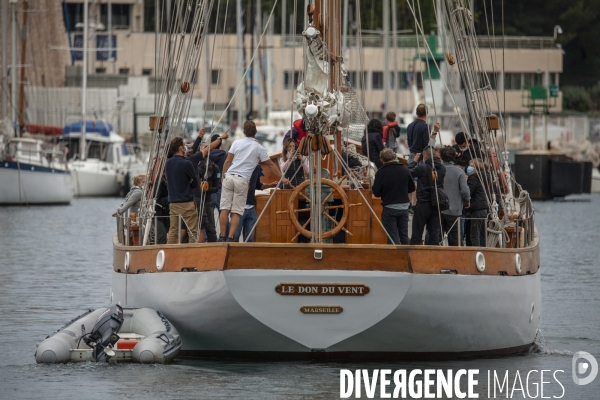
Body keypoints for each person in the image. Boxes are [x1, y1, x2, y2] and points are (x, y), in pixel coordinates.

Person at [219, 120, 286, 242]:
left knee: (224, 209)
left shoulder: (236, 143)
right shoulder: (259, 148)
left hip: (229, 176)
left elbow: (228, 161)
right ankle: (230, 238)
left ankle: (221, 236)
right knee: (236, 212)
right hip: (241, 180)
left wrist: (223, 175)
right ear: (255, 132)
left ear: (244, 132)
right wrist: (282, 178)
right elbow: (270, 165)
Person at [372, 148, 415, 245]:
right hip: (404, 207)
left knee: (392, 236)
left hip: (389, 208)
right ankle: (407, 258)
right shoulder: (404, 170)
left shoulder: (381, 172)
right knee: (404, 235)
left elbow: (376, 193)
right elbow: (412, 188)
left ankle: (394, 258)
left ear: (382, 160)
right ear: (394, 157)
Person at [408, 146, 446, 245]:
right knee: (434, 234)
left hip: (423, 203)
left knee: (417, 233)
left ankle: (414, 257)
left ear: (425, 156)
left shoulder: (422, 167)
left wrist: (414, 161)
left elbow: (408, 173)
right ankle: (434, 257)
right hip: (436, 203)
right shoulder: (442, 168)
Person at [165, 136, 199, 244]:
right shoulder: (186, 163)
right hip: (186, 202)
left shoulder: (168, 163)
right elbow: (196, 182)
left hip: (173, 203)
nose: (185, 147)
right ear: (180, 148)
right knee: (192, 231)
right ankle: (192, 255)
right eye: (184, 145)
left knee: (173, 231)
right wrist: (190, 183)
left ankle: (168, 253)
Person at [233, 165, 278, 242]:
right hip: (238, 207)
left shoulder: (257, 167)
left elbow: (258, 185)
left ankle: (248, 253)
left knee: (250, 238)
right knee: (235, 236)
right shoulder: (239, 165)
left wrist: (271, 185)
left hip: (251, 207)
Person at [440, 146, 470, 246]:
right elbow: (465, 190)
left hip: (438, 209)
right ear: (454, 156)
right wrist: (467, 201)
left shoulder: (436, 170)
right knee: (455, 240)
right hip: (455, 210)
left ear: (441, 156)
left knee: (437, 238)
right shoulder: (459, 172)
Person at [466, 158, 489, 247]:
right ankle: (482, 250)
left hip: (477, 208)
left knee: (474, 235)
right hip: (483, 207)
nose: (469, 168)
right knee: (481, 233)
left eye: (471, 166)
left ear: (476, 167)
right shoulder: (486, 176)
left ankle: (477, 252)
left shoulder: (474, 177)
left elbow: (469, 192)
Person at [209, 133, 228, 211]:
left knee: (208, 217)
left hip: (209, 189)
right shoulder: (225, 156)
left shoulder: (207, 156)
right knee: (223, 213)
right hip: (221, 187)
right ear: (220, 144)